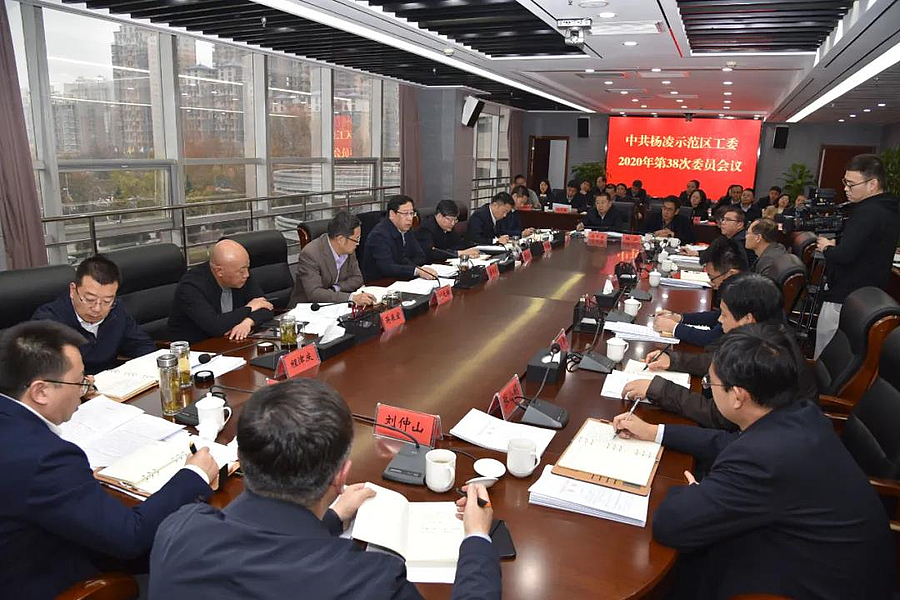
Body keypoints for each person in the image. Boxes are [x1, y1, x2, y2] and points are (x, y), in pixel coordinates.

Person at [149, 378, 501, 599]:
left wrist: (330, 521)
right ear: (340, 476)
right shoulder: (369, 582)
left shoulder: (177, 530)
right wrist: (476, 539)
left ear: (239, 457)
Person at [613, 325, 895, 600]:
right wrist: (654, 432)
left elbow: (670, 524)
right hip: (822, 554)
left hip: (814, 585)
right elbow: (726, 443)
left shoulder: (765, 459)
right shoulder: (798, 414)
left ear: (738, 396)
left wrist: (695, 493)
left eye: (711, 383)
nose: (709, 388)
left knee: (671, 568)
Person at [0, 321, 218, 600]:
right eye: (80, 382)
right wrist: (195, 475)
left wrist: (73, 482)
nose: (84, 389)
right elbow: (130, 537)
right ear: (40, 391)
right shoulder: (46, 459)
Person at [623, 273, 817, 430]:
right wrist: (674, 360)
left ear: (747, 319)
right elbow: (723, 362)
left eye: (724, 314)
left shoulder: (767, 356)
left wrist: (660, 390)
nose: (719, 320)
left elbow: (720, 417)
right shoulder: (767, 338)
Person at [814, 154, 900, 358]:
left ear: (872, 184)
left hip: (845, 296)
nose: (846, 189)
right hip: (867, 297)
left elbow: (845, 255)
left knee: (827, 354)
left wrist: (827, 248)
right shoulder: (889, 207)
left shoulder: (867, 212)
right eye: (845, 182)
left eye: (851, 184)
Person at [32, 255, 155, 375]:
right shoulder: (48, 322)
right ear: (73, 290)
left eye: (107, 301)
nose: (97, 309)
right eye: (90, 299)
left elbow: (142, 345)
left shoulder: (116, 310)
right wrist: (83, 383)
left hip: (112, 381)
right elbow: (46, 373)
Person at [168, 239, 274, 342]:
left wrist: (247, 323)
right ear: (219, 271)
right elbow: (215, 326)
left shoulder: (242, 276)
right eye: (241, 271)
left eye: (247, 268)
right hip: (197, 347)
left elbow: (266, 307)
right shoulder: (191, 286)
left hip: (230, 342)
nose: (246, 274)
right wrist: (250, 308)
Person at [653, 237, 744, 347]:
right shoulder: (738, 287)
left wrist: (674, 328)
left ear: (731, 274)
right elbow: (717, 316)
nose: (711, 283)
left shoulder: (744, 297)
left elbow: (713, 339)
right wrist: (680, 318)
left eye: (712, 278)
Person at [289, 211, 376, 308]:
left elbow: (357, 279)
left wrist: (336, 288)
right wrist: (351, 298)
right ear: (341, 239)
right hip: (308, 308)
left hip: (335, 305)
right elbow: (314, 293)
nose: (358, 243)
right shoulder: (310, 254)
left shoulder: (349, 249)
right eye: (357, 239)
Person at [362, 195, 435, 282]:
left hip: (402, 279)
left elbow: (420, 256)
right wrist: (415, 270)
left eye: (411, 213)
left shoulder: (406, 229)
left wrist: (408, 267)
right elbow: (387, 268)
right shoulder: (379, 235)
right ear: (392, 214)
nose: (410, 218)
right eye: (405, 214)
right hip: (380, 283)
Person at [682, 205, 752, 269]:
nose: (723, 223)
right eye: (723, 219)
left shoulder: (740, 242)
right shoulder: (729, 238)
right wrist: (696, 253)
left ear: (739, 225)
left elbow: (721, 257)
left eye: (728, 220)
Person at [416, 200, 480, 262]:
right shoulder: (425, 229)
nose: (453, 223)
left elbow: (458, 244)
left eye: (455, 220)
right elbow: (431, 253)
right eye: (450, 220)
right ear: (439, 216)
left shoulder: (448, 227)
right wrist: (458, 253)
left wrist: (469, 250)